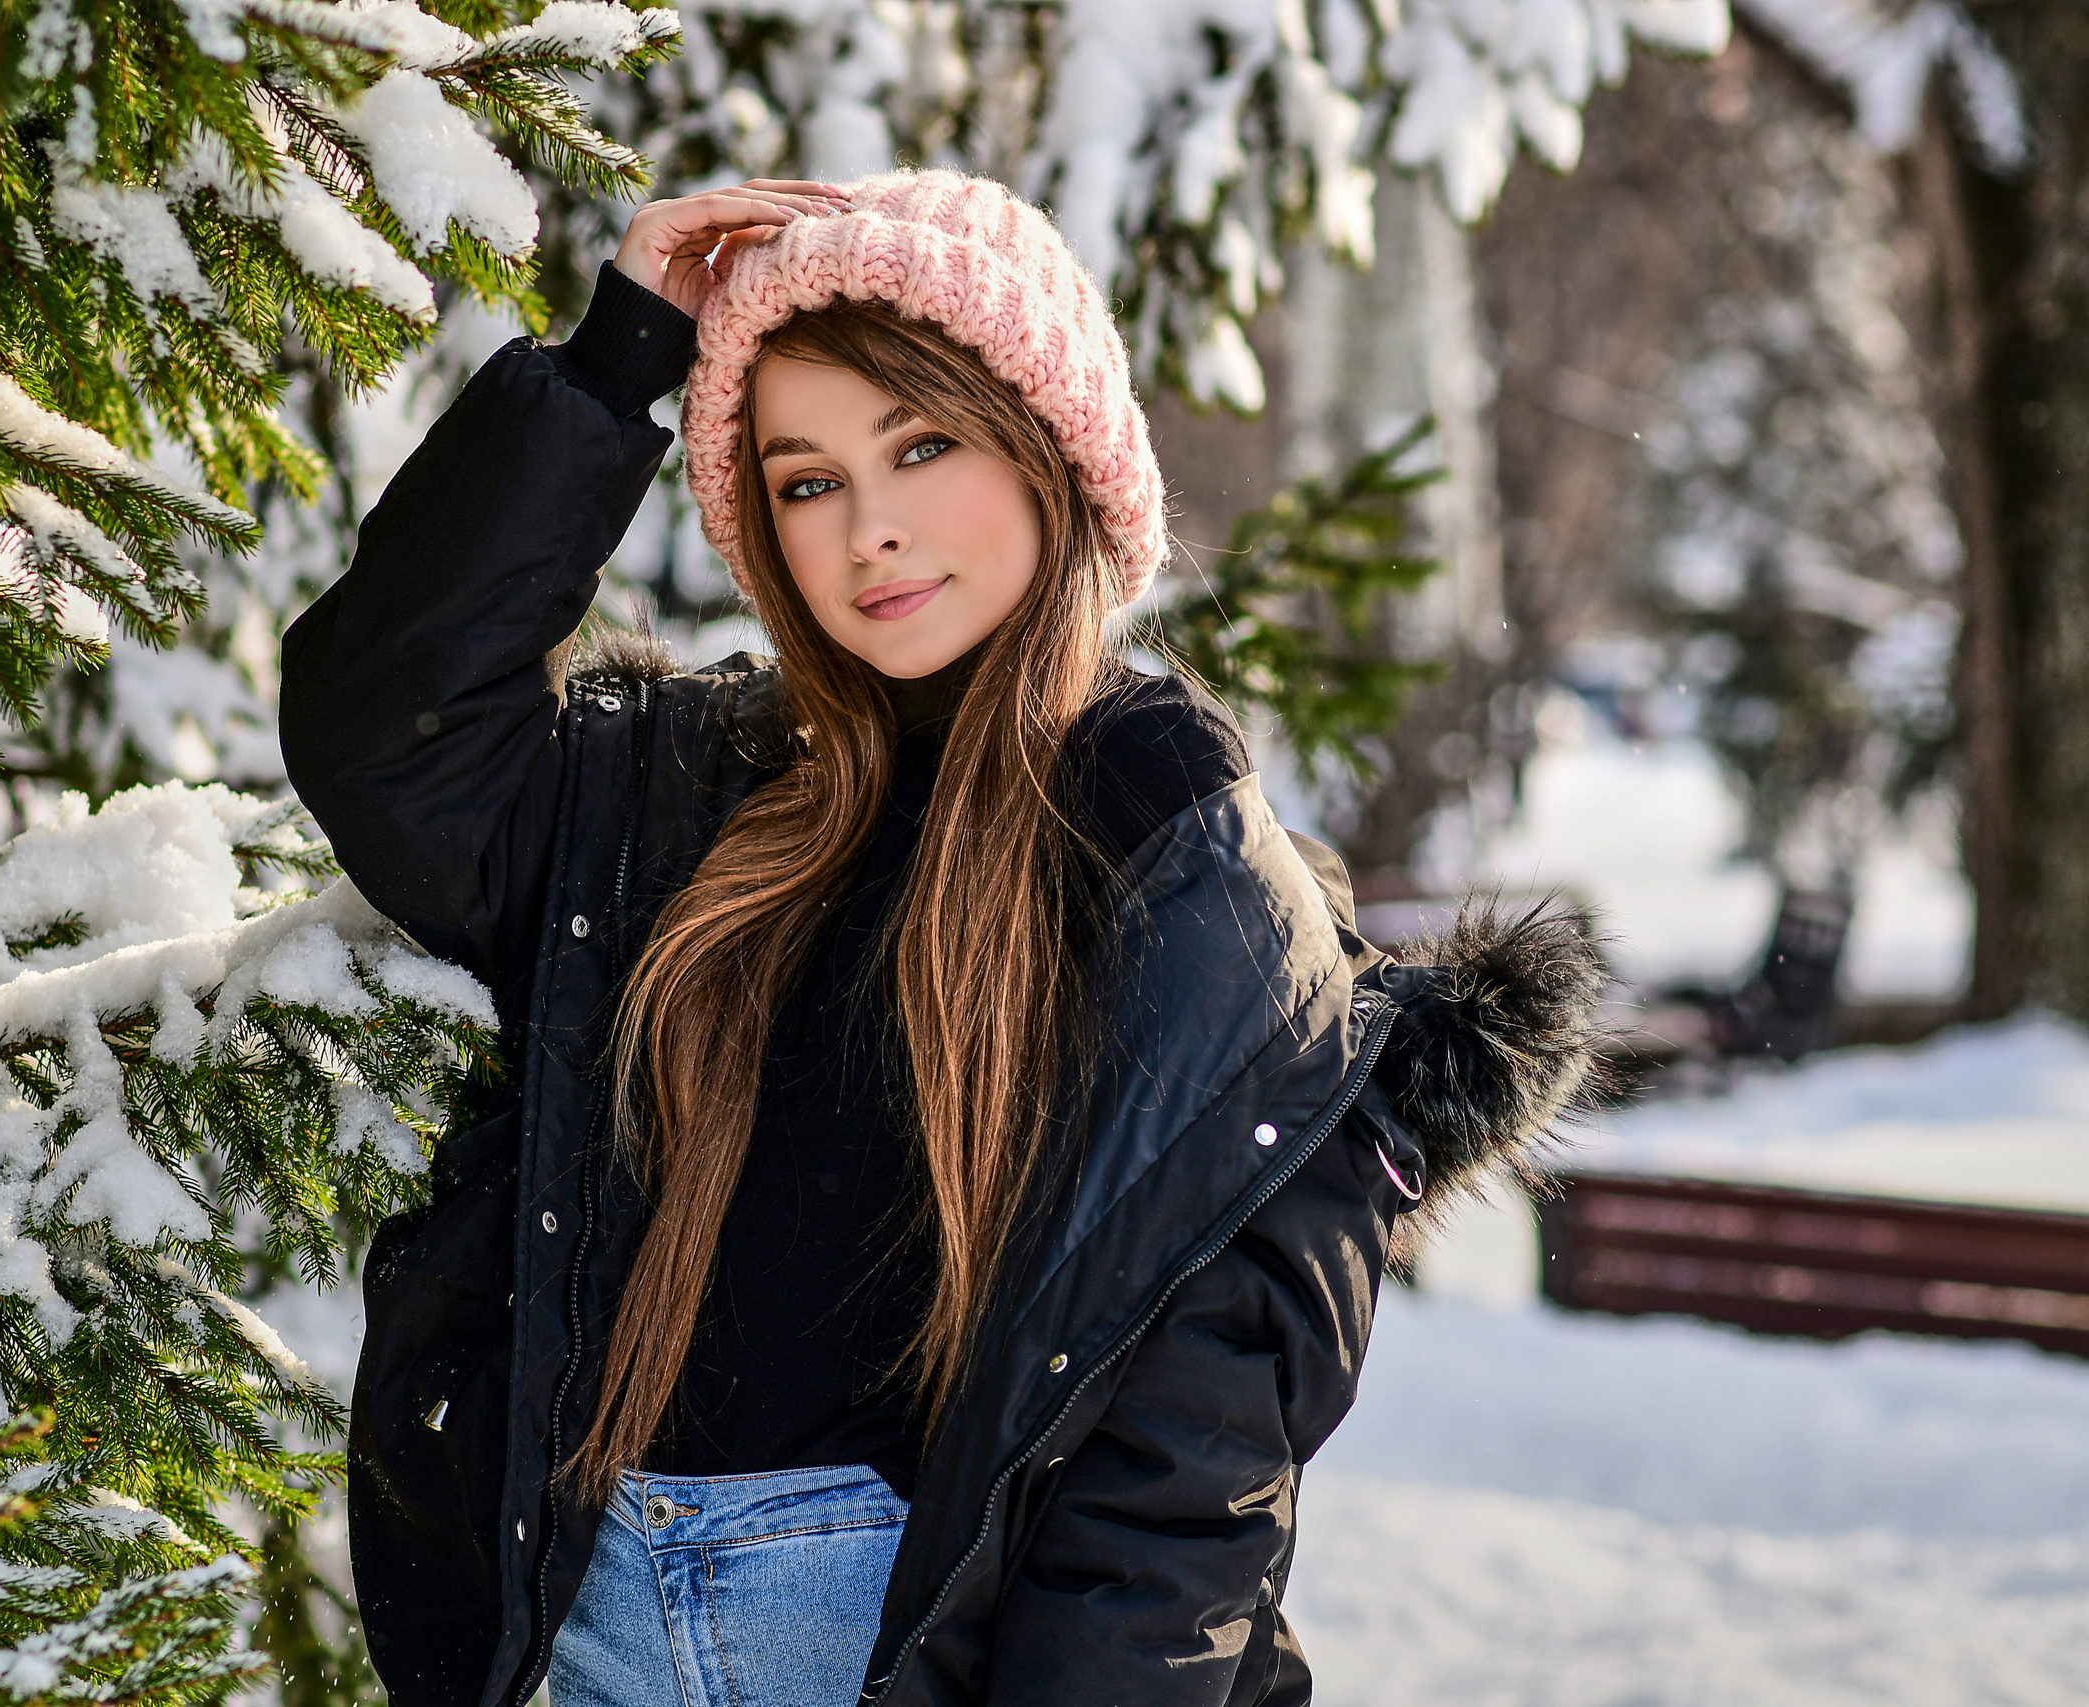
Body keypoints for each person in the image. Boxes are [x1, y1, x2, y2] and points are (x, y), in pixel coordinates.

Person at [282, 170, 1604, 1707]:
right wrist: (614, 361)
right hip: (588, 1627)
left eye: (922, 444)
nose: (872, 532)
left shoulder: (1171, 840)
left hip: (904, 1641)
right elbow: (390, 734)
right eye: (806, 479)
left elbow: (1181, 1471)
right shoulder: (690, 784)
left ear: (1052, 450)